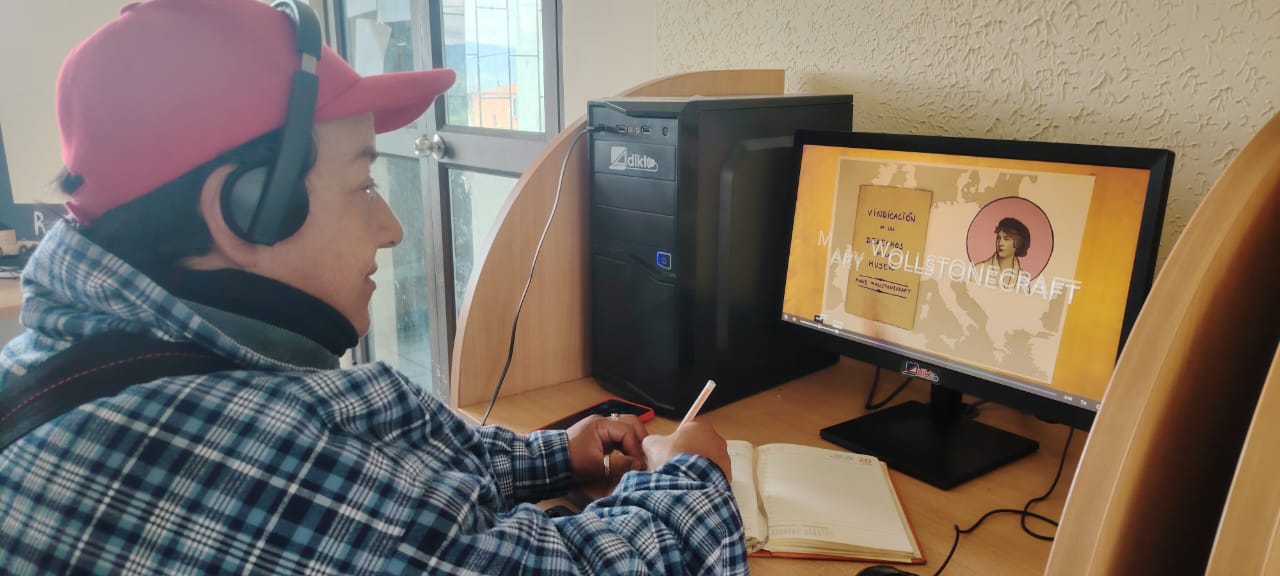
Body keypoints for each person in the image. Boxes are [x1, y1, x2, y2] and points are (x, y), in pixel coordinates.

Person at [0, 1, 745, 574]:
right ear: (245, 208)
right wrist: (692, 476)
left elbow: (388, 464)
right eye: (362, 182)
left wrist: (553, 456)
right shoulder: (224, 450)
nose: (390, 228)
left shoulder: (111, 361)